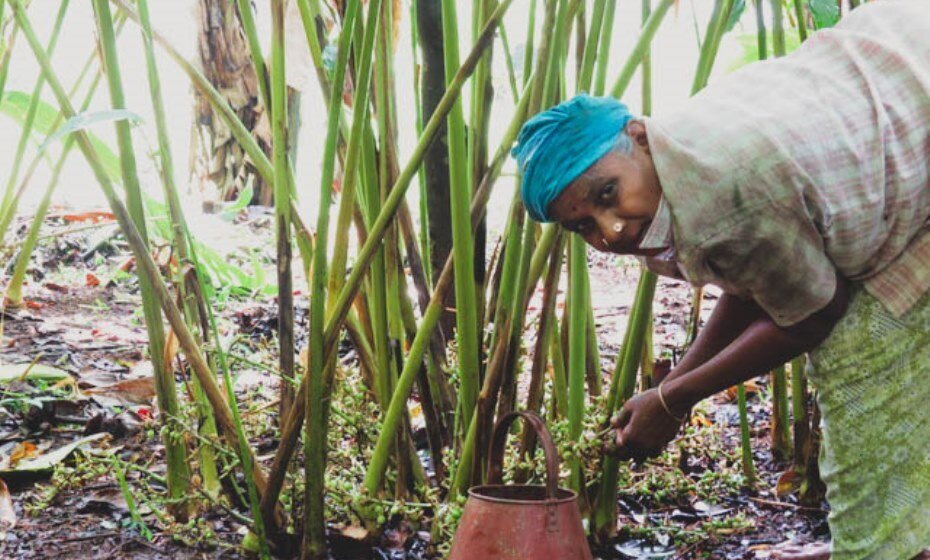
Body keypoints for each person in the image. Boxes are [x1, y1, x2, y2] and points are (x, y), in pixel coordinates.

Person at [510, 1, 930, 559]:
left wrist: (675, 398)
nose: (610, 229)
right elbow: (754, 275)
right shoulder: (675, 156)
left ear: (636, 136)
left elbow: (812, 315)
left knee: (862, 370)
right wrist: (668, 389)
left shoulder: (727, 185)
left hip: (916, 148)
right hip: (901, 63)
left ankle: (877, 547)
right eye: (582, 225)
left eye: (608, 195)